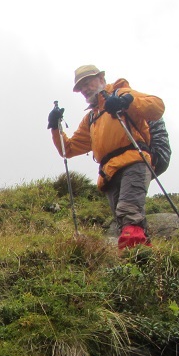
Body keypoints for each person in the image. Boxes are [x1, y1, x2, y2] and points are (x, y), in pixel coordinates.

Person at [47, 65, 165, 249]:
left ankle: (132, 255)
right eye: (81, 87)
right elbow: (67, 149)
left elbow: (157, 106)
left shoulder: (120, 93)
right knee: (124, 221)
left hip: (134, 162)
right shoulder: (92, 118)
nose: (85, 89)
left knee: (128, 212)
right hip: (109, 173)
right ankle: (142, 257)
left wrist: (126, 102)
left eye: (88, 82)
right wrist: (55, 127)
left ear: (102, 78)